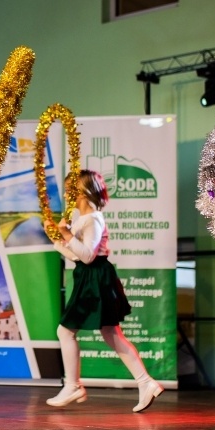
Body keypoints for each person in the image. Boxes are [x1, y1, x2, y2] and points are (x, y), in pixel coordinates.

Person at [43, 169, 163, 413]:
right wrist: (57, 240)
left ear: (82, 193)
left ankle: (73, 385)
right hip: (91, 277)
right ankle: (145, 382)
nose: (66, 196)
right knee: (110, 333)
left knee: (66, 331)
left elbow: (88, 256)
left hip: (95, 280)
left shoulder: (93, 219)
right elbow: (78, 256)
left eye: (70, 191)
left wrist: (66, 234)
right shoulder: (85, 219)